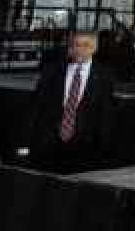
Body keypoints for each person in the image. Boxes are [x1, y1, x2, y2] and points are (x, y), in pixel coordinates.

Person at [26, 31, 116, 173]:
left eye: (85, 45)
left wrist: (103, 150)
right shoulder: (52, 71)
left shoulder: (105, 76)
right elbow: (37, 107)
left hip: (85, 149)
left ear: (94, 49)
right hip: (49, 145)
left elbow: (105, 115)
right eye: (76, 45)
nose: (79, 50)